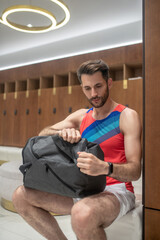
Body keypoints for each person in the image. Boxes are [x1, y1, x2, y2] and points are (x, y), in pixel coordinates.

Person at [12, 59, 142, 240]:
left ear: (109, 83)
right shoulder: (81, 116)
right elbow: (42, 133)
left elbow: (135, 171)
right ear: (82, 88)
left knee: (82, 214)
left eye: (98, 86)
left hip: (116, 190)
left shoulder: (126, 116)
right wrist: (61, 133)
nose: (94, 93)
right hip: (83, 187)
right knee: (20, 196)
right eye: (88, 88)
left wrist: (105, 168)